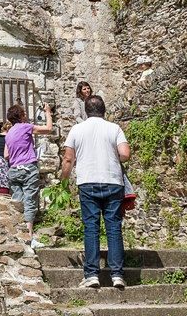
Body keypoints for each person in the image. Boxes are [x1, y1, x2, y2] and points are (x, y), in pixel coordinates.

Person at [61, 95, 131, 290]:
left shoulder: (77, 129)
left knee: (91, 228)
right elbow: (125, 154)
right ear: (104, 110)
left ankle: (92, 275)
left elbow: (68, 159)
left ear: (86, 111)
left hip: (88, 181)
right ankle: (117, 275)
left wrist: (64, 180)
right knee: (114, 228)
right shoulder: (114, 128)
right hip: (112, 182)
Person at [4, 102, 53, 249]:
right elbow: (48, 129)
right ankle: (29, 238)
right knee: (30, 202)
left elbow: (6, 155)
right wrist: (48, 112)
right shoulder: (25, 127)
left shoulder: (9, 133)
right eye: (24, 113)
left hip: (13, 170)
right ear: (21, 115)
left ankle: (17, 235)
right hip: (28, 168)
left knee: (17, 202)